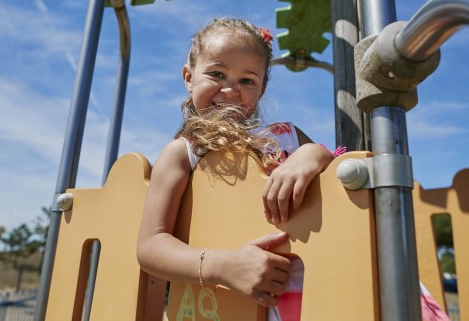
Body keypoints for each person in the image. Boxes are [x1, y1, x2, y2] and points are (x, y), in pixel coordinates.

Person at [136, 17, 449, 321]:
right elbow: (151, 245)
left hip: (335, 275)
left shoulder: (286, 137)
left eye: (247, 80)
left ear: (261, 88)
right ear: (188, 77)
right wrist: (222, 266)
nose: (231, 90)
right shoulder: (183, 153)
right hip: (268, 298)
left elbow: (336, 175)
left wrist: (312, 155)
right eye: (217, 73)